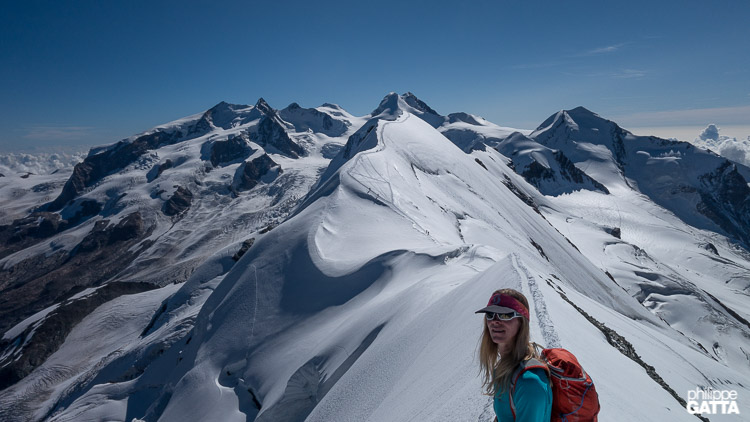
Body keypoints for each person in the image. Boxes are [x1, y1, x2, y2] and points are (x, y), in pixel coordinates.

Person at [476, 289, 552, 421]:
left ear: (522, 322)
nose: (494, 321)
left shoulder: (529, 382)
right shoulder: (504, 369)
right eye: (490, 314)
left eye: (505, 315)